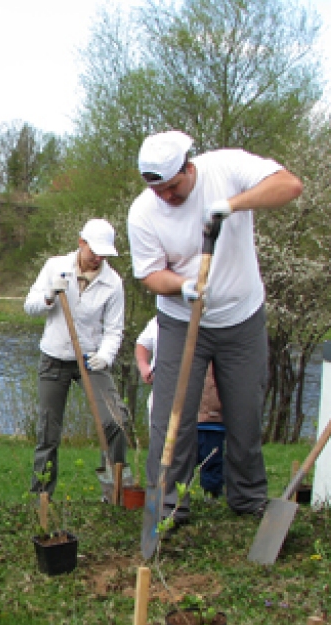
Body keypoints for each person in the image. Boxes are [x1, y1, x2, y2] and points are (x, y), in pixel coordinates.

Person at [128, 130, 303, 524]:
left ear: (189, 168)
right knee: (173, 417)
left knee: (244, 413)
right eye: (159, 191)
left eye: (174, 187)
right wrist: (181, 286)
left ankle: (248, 500)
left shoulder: (225, 166)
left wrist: (232, 205)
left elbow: (289, 186)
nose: (167, 198)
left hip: (242, 317)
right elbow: (151, 274)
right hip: (179, 320)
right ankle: (168, 506)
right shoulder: (143, 213)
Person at [24, 218, 129, 499]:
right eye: (94, 250)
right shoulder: (55, 267)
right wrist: (49, 295)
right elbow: (30, 307)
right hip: (54, 359)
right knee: (48, 432)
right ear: (81, 243)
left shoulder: (113, 283)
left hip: (91, 360)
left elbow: (115, 328)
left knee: (115, 421)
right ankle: (41, 498)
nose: (98, 258)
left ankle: (116, 489)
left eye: (104, 254)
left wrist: (105, 356)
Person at [136, 316, 225, 498]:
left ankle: (212, 497)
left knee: (212, 458)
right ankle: (167, 499)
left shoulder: (217, 321)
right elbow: (142, 344)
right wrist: (144, 367)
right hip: (167, 405)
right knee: (170, 459)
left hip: (210, 412)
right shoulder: (161, 320)